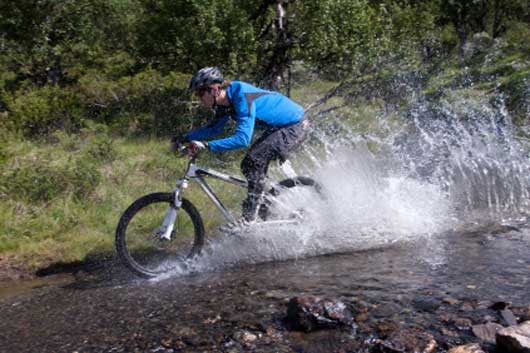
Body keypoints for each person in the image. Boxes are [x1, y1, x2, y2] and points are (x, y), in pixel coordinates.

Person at [176, 66, 309, 227]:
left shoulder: (241, 95)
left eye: (200, 93)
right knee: (251, 166)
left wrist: (206, 145)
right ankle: (259, 204)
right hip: (280, 127)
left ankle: (250, 217)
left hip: (295, 125)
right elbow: (214, 129)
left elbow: (242, 139)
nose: (199, 98)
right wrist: (184, 137)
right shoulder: (223, 104)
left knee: (253, 160)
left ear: (214, 89)